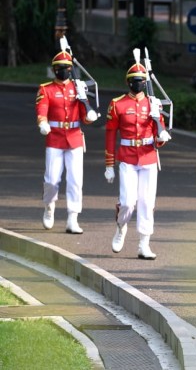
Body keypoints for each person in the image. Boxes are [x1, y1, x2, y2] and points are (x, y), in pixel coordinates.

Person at [104, 62, 172, 260]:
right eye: (134, 81)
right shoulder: (118, 104)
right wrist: (109, 164)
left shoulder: (154, 103)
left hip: (148, 156)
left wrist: (161, 139)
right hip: (127, 157)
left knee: (147, 202)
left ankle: (144, 243)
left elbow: (160, 130)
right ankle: (121, 226)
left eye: (141, 81)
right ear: (128, 82)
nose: (138, 84)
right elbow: (110, 134)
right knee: (127, 202)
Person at [36, 51, 98, 234]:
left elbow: (83, 113)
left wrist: (89, 116)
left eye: (67, 68)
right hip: (54, 137)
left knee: (75, 180)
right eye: (61, 68)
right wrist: (43, 123)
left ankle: (73, 217)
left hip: (74, 137)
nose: (64, 71)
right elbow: (42, 109)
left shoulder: (77, 87)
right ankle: (49, 206)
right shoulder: (46, 89)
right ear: (55, 70)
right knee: (52, 179)